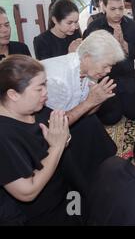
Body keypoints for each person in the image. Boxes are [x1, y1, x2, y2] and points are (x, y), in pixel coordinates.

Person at [41, 30, 123, 194]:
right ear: (87, 57)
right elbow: (54, 126)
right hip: (47, 130)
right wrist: (91, 101)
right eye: (106, 65)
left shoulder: (90, 70)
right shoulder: (58, 80)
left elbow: (88, 110)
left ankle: (105, 173)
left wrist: (98, 99)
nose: (108, 71)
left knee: (96, 131)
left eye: (111, 66)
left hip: (70, 118)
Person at [0, 55, 78, 225]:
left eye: (45, 84)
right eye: (39, 88)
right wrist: (56, 146)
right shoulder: (4, 135)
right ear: (13, 94)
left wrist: (62, 137)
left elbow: (58, 134)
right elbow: (27, 192)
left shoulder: (35, 108)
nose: (46, 93)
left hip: (63, 195)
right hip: (38, 215)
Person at [84, 0, 135, 124]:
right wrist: (111, 48)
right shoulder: (95, 28)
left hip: (128, 77)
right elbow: (88, 58)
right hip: (106, 79)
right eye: (113, 9)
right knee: (110, 118)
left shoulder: (132, 26)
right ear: (103, 6)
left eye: (121, 8)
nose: (118, 13)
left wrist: (124, 45)